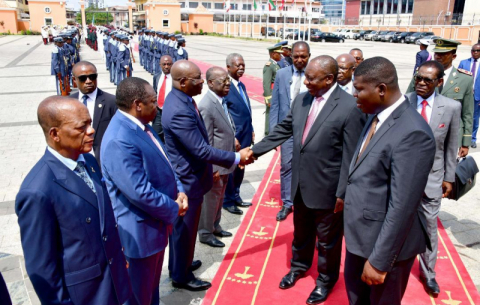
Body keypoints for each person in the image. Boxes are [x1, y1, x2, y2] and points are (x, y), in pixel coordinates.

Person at [252, 56, 366, 305]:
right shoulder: (303, 99)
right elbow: (284, 129)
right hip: (300, 185)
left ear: (329, 79)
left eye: (311, 78)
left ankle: (326, 280)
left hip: (328, 190)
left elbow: (351, 154)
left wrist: (343, 193)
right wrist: (254, 151)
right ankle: (299, 266)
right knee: (301, 233)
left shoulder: (349, 106)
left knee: (327, 241)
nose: (306, 81)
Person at [16, 96, 132, 304]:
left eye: (90, 123)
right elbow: (42, 268)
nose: (91, 130)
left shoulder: (87, 159)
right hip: (87, 295)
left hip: (116, 283)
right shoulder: (37, 191)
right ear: (55, 134)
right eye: (82, 127)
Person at [344, 57, 436, 305]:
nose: (354, 94)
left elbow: (402, 206)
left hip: (385, 251)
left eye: (360, 88)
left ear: (381, 89)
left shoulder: (413, 132)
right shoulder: (375, 115)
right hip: (360, 240)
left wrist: (379, 261)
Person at [162, 60, 254, 291]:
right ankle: (181, 276)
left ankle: (181, 262)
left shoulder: (182, 99)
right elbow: (201, 149)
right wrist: (235, 157)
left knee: (186, 230)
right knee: (184, 230)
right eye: (198, 79)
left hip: (192, 177)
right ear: (183, 82)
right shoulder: (179, 110)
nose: (202, 81)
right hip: (188, 180)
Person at [101, 77, 187, 305]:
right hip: (140, 236)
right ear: (137, 104)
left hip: (155, 227)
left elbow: (165, 162)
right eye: (152, 101)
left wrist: (179, 190)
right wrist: (174, 207)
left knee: (151, 291)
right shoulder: (120, 139)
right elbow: (140, 191)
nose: (157, 106)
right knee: (139, 295)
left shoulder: (143, 127)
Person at [406, 61, 460, 296]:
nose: (421, 83)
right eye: (419, 78)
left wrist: (449, 177)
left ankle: (429, 274)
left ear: (439, 82)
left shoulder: (451, 107)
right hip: (402, 179)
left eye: (428, 80)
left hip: (432, 179)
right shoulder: (403, 102)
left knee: (429, 227)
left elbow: (451, 145)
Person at [407, 38, 474, 157]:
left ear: (453, 56)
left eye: (443, 54)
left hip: (450, 135)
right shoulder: (421, 75)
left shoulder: (465, 79)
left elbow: (467, 113)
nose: (438, 57)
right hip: (422, 130)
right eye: (436, 53)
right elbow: (408, 102)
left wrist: (465, 142)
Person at [269, 42, 311, 221]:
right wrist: (273, 134)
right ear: (291, 56)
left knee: (308, 168)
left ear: (309, 56)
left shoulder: (315, 73)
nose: (300, 60)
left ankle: (306, 201)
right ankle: (287, 203)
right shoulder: (281, 74)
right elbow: (276, 105)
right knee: (286, 166)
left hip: (309, 129)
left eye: (303, 56)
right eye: (296, 56)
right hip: (287, 130)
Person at [198, 67, 236, 248]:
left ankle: (215, 226)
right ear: (210, 83)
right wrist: (212, 168)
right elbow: (207, 140)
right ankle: (205, 232)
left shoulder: (221, 100)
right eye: (223, 81)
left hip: (225, 161)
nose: (227, 84)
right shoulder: (206, 105)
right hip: (216, 165)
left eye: (228, 80)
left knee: (219, 198)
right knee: (211, 199)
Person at [222, 53, 254, 215]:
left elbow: (246, 110)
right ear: (228, 68)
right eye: (237, 65)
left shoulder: (241, 86)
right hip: (235, 137)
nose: (241, 68)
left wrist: (252, 128)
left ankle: (236, 195)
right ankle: (227, 201)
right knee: (231, 169)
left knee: (241, 168)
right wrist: (232, 136)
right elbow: (225, 114)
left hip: (246, 134)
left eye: (243, 65)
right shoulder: (226, 87)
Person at [70, 61, 117, 165]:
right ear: (74, 80)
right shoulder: (68, 103)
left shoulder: (111, 102)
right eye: (83, 78)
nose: (88, 81)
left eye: (92, 77)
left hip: (103, 161)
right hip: (77, 160)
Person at [458, 43, 480, 148]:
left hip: (477, 97)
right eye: (473, 50)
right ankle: (460, 136)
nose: (475, 52)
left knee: (474, 119)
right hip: (463, 95)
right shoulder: (463, 63)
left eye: (477, 51)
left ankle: (473, 139)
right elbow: (457, 79)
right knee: (461, 116)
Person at [151, 55, 174, 142]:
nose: (166, 66)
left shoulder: (175, 79)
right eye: (164, 64)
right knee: (156, 135)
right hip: (158, 112)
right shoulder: (156, 77)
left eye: (169, 64)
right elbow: (154, 93)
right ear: (160, 65)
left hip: (171, 112)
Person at [263, 45, 283, 135]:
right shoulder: (269, 66)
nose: (281, 56)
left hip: (277, 92)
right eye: (279, 54)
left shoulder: (275, 64)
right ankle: (268, 132)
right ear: (273, 54)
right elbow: (266, 83)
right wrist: (268, 98)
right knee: (270, 113)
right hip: (272, 93)